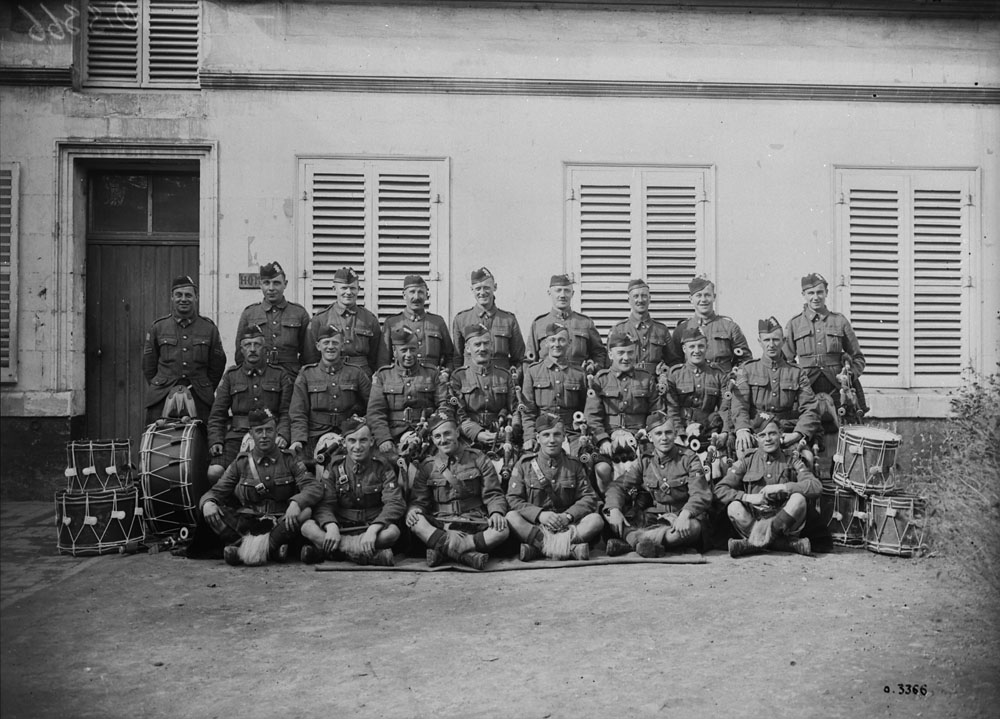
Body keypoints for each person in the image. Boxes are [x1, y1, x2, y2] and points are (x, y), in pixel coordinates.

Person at [199, 408, 323, 566]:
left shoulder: (289, 459)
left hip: (281, 521)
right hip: (249, 522)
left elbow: (314, 487)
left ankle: (243, 551)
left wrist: (296, 502)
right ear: (251, 434)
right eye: (259, 431)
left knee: (305, 512)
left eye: (269, 430)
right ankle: (272, 550)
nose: (264, 436)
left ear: (276, 432)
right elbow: (216, 491)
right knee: (212, 511)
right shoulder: (241, 463)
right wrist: (208, 502)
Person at [405, 409, 510, 569]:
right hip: (442, 523)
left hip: (474, 521)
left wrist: (496, 513)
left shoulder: (478, 458)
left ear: (457, 433)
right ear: (432, 439)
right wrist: (414, 509)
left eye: (447, 434)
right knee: (416, 522)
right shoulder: (428, 466)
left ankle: (445, 550)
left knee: (502, 530)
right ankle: (467, 555)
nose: (443, 440)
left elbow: (493, 494)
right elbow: (419, 500)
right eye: (437, 436)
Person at [603, 412, 711, 557]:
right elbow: (618, 486)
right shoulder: (645, 460)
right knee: (609, 516)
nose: (664, 438)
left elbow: (700, 493)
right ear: (650, 437)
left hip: (681, 516)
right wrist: (615, 509)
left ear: (675, 434)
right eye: (658, 433)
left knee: (693, 528)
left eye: (668, 433)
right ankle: (653, 543)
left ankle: (635, 543)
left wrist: (685, 514)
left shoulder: (689, 458)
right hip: (654, 517)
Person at [299, 417, 403, 566]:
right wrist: (331, 526)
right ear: (344, 443)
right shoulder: (335, 467)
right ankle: (366, 555)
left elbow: (394, 503)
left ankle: (332, 552)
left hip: (371, 526)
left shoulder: (382, 467)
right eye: (352, 441)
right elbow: (325, 504)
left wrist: (374, 529)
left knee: (392, 532)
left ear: (372, 442)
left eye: (363, 440)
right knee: (307, 527)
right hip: (342, 526)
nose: (357, 446)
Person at [714, 414, 820, 557]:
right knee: (734, 507)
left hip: (784, 521)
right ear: (756, 438)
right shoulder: (747, 461)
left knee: (798, 499)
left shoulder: (792, 459)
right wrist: (748, 497)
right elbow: (720, 489)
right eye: (762, 435)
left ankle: (753, 544)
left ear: (780, 435)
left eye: (772, 434)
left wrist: (783, 487)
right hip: (755, 520)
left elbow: (815, 486)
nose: (768, 439)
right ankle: (783, 544)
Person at [505, 413, 602, 561]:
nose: (551, 440)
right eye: (546, 435)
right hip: (537, 525)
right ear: (538, 438)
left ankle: (539, 549)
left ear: (564, 437)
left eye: (557, 435)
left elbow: (589, 497)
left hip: (567, 526)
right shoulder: (524, 464)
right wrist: (539, 515)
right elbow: (513, 498)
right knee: (512, 517)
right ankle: (569, 549)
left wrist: (568, 516)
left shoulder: (574, 465)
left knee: (596, 520)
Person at [207, 326, 293, 482]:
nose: (252, 349)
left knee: (280, 473)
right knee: (215, 472)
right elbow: (217, 415)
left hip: (270, 436)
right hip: (237, 435)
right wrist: (216, 440)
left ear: (265, 348)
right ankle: (229, 504)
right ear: (241, 349)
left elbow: (286, 411)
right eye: (247, 345)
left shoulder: (279, 374)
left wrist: (283, 435)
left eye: (257, 344)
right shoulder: (231, 376)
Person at [731, 317, 822, 458]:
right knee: (744, 457)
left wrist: (797, 434)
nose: (771, 345)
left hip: (786, 431)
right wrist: (743, 429)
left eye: (776, 340)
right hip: (757, 431)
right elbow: (739, 405)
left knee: (806, 458)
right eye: (767, 340)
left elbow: (810, 407)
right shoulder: (747, 369)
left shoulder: (796, 372)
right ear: (759, 342)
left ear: (784, 341)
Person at [783, 272, 867, 423]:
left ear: (826, 293)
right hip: (807, 388)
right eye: (811, 293)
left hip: (838, 387)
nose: (815, 297)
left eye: (820, 292)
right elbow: (785, 361)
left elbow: (858, 358)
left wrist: (849, 375)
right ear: (803, 294)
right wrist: (796, 380)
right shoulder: (794, 324)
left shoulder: (839, 321)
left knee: (845, 429)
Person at [142, 275, 226, 424]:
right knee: (157, 441)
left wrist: (204, 386)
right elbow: (149, 365)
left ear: (196, 298)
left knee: (201, 441)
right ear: (172, 298)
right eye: (178, 295)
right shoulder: (159, 327)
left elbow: (217, 365)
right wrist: (162, 383)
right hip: (162, 395)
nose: (183, 299)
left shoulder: (209, 329)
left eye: (188, 295)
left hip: (199, 396)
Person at [586, 331, 662, 495]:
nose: (626, 357)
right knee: (602, 469)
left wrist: (645, 432)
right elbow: (592, 417)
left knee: (649, 469)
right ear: (610, 354)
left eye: (630, 352)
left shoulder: (646, 379)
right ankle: (609, 505)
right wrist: (602, 440)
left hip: (639, 438)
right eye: (620, 353)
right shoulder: (601, 379)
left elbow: (656, 412)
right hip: (609, 437)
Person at [289, 324, 372, 462]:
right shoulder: (307, 374)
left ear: (342, 346)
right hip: (314, 435)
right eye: (326, 343)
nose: (330, 347)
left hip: (347, 435)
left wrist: (358, 427)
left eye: (335, 342)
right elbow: (298, 412)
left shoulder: (356, 373)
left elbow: (373, 407)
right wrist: (298, 439)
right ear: (318, 346)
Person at [367, 325, 447, 457]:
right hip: (393, 436)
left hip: (426, 435)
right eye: (404, 350)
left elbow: (444, 406)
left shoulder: (432, 373)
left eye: (412, 350)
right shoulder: (383, 376)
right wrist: (384, 439)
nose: (409, 355)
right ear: (394, 351)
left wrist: (431, 429)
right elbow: (375, 413)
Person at [520, 322, 589, 454]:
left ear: (569, 343)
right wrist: (529, 436)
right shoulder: (533, 371)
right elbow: (527, 411)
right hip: (543, 431)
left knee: (582, 460)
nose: (556, 344)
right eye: (552, 340)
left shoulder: (579, 373)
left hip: (571, 433)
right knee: (531, 463)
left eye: (561, 340)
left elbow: (585, 408)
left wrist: (582, 430)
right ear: (546, 343)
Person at [233, 261, 310, 378]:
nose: (271, 288)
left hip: (291, 376)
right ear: (260, 285)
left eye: (276, 283)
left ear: (285, 284)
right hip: (259, 376)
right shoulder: (249, 313)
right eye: (266, 283)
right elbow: (240, 353)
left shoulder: (299, 313)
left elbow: (309, 354)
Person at [446, 323, 517, 448]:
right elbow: (458, 414)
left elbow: (515, 409)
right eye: (477, 344)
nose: (482, 348)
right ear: (468, 348)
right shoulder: (458, 377)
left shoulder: (504, 375)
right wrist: (477, 433)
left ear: (492, 346)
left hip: (500, 437)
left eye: (486, 343)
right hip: (468, 440)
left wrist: (510, 431)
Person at [304, 267, 382, 377]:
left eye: (353, 288)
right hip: (329, 374)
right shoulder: (320, 319)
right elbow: (310, 356)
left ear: (358, 289)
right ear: (334, 289)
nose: (348, 292)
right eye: (344, 288)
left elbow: (375, 356)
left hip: (362, 376)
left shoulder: (370, 319)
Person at [452, 267, 526, 373]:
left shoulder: (508, 320)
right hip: (471, 383)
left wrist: (513, 378)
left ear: (494, 287)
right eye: (478, 288)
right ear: (472, 290)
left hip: (501, 383)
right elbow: (456, 359)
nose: (482, 292)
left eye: (486, 288)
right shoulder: (461, 319)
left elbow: (519, 359)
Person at [664, 327, 728, 450]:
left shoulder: (718, 374)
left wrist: (724, 432)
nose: (697, 351)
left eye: (701, 346)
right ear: (684, 349)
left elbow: (724, 408)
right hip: (681, 432)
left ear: (707, 347)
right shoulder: (675, 374)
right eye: (692, 347)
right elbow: (672, 409)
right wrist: (680, 434)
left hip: (709, 431)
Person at [672, 276, 751, 374]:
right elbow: (674, 363)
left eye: (707, 295)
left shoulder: (730, 327)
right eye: (698, 295)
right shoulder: (681, 330)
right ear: (691, 299)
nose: (703, 299)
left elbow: (745, 360)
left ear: (714, 297)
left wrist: (734, 379)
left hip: (724, 384)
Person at [527, 274, 608, 371]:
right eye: (558, 290)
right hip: (547, 382)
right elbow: (529, 360)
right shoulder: (539, 324)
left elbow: (599, 354)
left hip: (578, 380)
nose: (562, 295)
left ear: (572, 293)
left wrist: (592, 369)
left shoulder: (585, 323)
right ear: (549, 293)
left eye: (567, 291)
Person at [378, 274, 455, 370]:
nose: (416, 297)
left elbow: (450, 357)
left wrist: (446, 373)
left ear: (427, 295)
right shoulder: (392, 323)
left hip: (432, 379)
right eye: (412, 292)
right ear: (404, 295)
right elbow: (383, 361)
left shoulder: (438, 322)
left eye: (421, 292)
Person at [608, 278, 681, 375]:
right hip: (629, 381)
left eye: (644, 296)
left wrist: (665, 372)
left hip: (655, 381)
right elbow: (609, 363)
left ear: (649, 298)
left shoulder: (661, 330)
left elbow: (673, 362)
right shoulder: (618, 329)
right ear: (629, 300)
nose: (640, 300)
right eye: (636, 296)